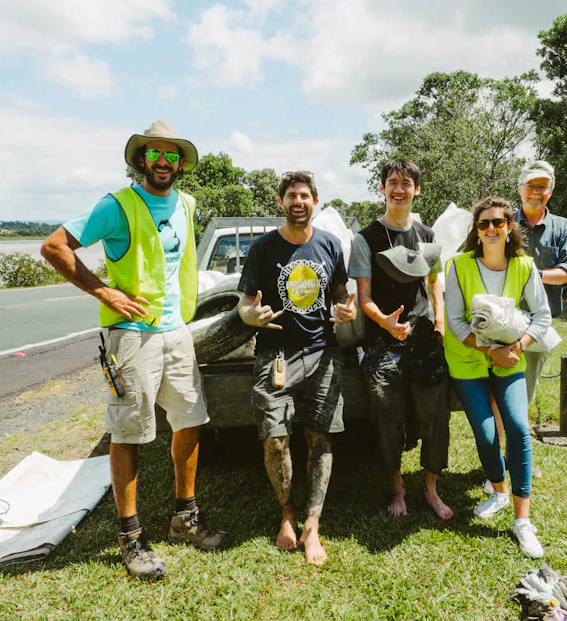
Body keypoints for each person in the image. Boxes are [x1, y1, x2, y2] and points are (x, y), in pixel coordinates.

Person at [41, 120, 232, 579]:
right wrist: (104, 291)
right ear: (141, 160)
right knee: (128, 433)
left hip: (176, 331)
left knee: (191, 420)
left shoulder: (186, 204)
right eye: (155, 154)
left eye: (171, 155)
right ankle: (130, 538)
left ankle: (184, 517)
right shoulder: (117, 205)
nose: (163, 162)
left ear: (180, 163)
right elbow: (54, 246)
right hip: (130, 334)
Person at [237, 170, 356, 566]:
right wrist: (251, 316)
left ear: (314, 201)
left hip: (322, 352)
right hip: (276, 355)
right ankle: (286, 513)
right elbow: (244, 304)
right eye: (291, 195)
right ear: (281, 203)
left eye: (305, 195)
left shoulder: (329, 244)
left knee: (320, 438)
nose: (298, 201)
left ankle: (312, 524)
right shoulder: (263, 249)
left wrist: (346, 306)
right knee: (275, 438)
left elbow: (340, 291)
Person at [443, 196, 552, 558]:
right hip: (469, 359)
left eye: (498, 223)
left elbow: (542, 317)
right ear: (476, 231)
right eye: (484, 224)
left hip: (510, 360)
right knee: (487, 433)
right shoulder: (457, 266)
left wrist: (519, 345)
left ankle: (523, 520)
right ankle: (499, 490)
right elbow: (455, 322)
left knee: (518, 428)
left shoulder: (524, 266)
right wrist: (490, 350)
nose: (491, 229)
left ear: (509, 227)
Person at [349, 158, 452, 520]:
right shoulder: (365, 239)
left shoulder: (428, 236)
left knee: (435, 412)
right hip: (383, 342)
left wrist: (439, 321)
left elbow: (435, 284)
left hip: (424, 338)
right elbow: (364, 297)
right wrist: (386, 323)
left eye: (406, 183)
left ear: (416, 190)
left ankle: (431, 488)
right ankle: (397, 487)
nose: (399, 189)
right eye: (393, 182)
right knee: (385, 413)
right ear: (382, 188)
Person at [515, 160, 567, 404]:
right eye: (531, 185)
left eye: (543, 186)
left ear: (550, 192)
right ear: (520, 188)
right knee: (495, 387)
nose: (536, 192)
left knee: (523, 393)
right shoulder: (503, 223)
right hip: (501, 319)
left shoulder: (563, 228)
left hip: (538, 324)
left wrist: (531, 275)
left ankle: (513, 436)